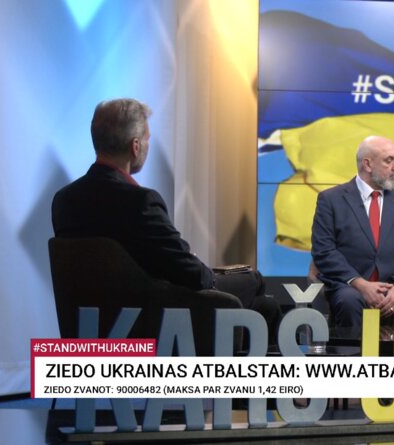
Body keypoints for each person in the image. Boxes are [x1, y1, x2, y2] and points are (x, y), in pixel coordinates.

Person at [51, 98, 281, 342]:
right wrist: (203, 270)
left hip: (96, 326)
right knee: (256, 285)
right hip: (153, 323)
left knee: (260, 306)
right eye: (147, 139)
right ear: (135, 146)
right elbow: (191, 275)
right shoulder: (140, 202)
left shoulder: (63, 201)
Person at [311, 135, 394, 328]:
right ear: (367, 164)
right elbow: (323, 251)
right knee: (349, 302)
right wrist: (360, 284)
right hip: (350, 286)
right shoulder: (331, 200)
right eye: (389, 160)